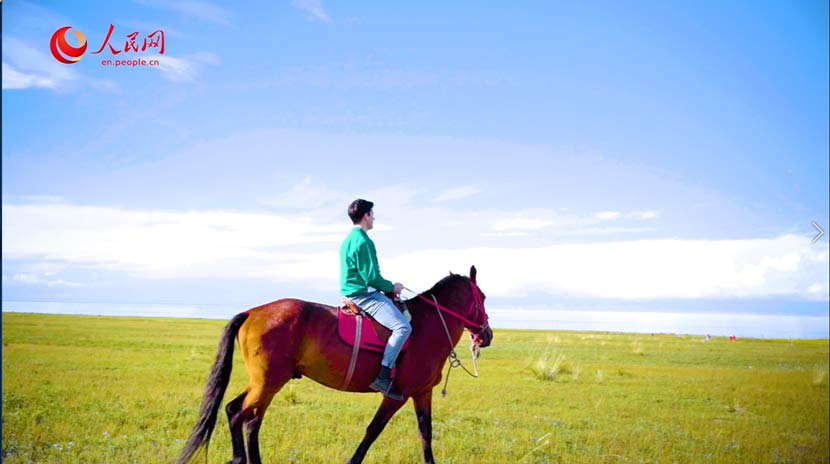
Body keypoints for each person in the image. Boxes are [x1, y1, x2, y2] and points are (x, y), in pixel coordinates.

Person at [340, 199, 411, 400]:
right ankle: (383, 375)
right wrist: (392, 287)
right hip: (364, 295)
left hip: (352, 292)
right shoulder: (363, 241)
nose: (374, 218)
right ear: (366, 216)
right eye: (372, 214)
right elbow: (371, 277)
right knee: (403, 327)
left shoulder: (348, 240)